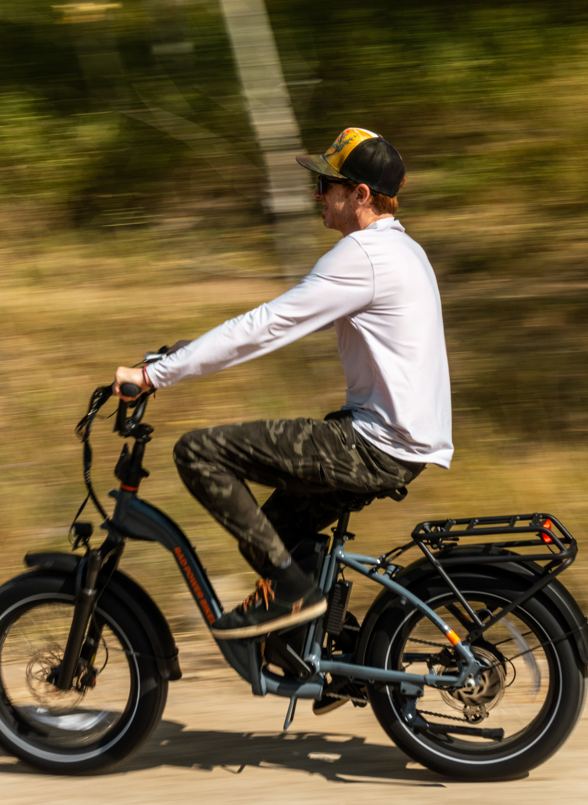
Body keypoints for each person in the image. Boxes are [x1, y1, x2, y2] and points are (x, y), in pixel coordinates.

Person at [113, 127, 453, 642]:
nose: (316, 195)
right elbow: (266, 326)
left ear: (360, 195)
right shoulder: (404, 252)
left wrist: (152, 376)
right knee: (277, 527)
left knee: (198, 453)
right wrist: (179, 355)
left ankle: (295, 596)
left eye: (326, 185)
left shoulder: (363, 255)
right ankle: (335, 646)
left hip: (375, 443)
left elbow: (265, 327)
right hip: (401, 442)